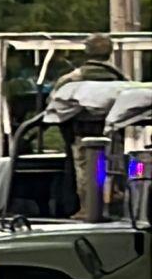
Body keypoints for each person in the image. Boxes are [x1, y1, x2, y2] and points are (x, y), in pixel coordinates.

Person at [54, 33, 128, 217]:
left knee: (87, 176)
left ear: (87, 51)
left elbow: (56, 112)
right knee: (112, 173)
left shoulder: (70, 80)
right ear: (109, 52)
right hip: (114, 138)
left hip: (82, 138)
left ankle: (89, 210)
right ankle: (113, 205)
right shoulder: (122, 81)